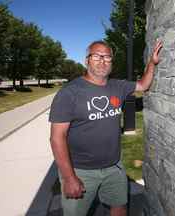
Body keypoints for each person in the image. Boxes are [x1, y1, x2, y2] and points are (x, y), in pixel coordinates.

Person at [49, 40, 162, 216]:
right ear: (87, 60)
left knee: (120, 207)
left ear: (111, 62)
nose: (102, 61)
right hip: (80, 170)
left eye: (107, 57)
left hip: (114, 167)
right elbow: (57, 138)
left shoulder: (118, 86)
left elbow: (143, 85)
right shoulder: (69, 93)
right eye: (97, 56)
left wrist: (152, 63)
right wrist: (69, 178)